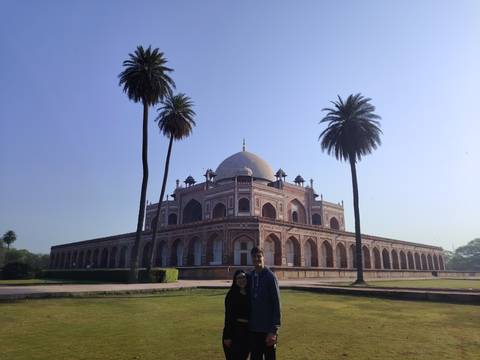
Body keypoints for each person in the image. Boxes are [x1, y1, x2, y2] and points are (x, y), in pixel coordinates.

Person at [249, 246, 281, 360]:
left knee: (269, 357)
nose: (257, 259)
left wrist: (273, 331)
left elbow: (276, 304)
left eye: (259, 256)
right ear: (251, 258)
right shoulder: (251, 276)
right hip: (254, 329)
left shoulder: (270, 277)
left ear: (264, 258)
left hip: (267, 329)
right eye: (254, 257)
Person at [222, 270, 250, 360]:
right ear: (235, 280)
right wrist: (227, 336)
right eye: (239, 278)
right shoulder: (231, 295)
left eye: (243, 277)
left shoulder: (249, 293)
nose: (242, 280)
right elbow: (228, 317)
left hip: (246, 332)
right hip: (234, 332)